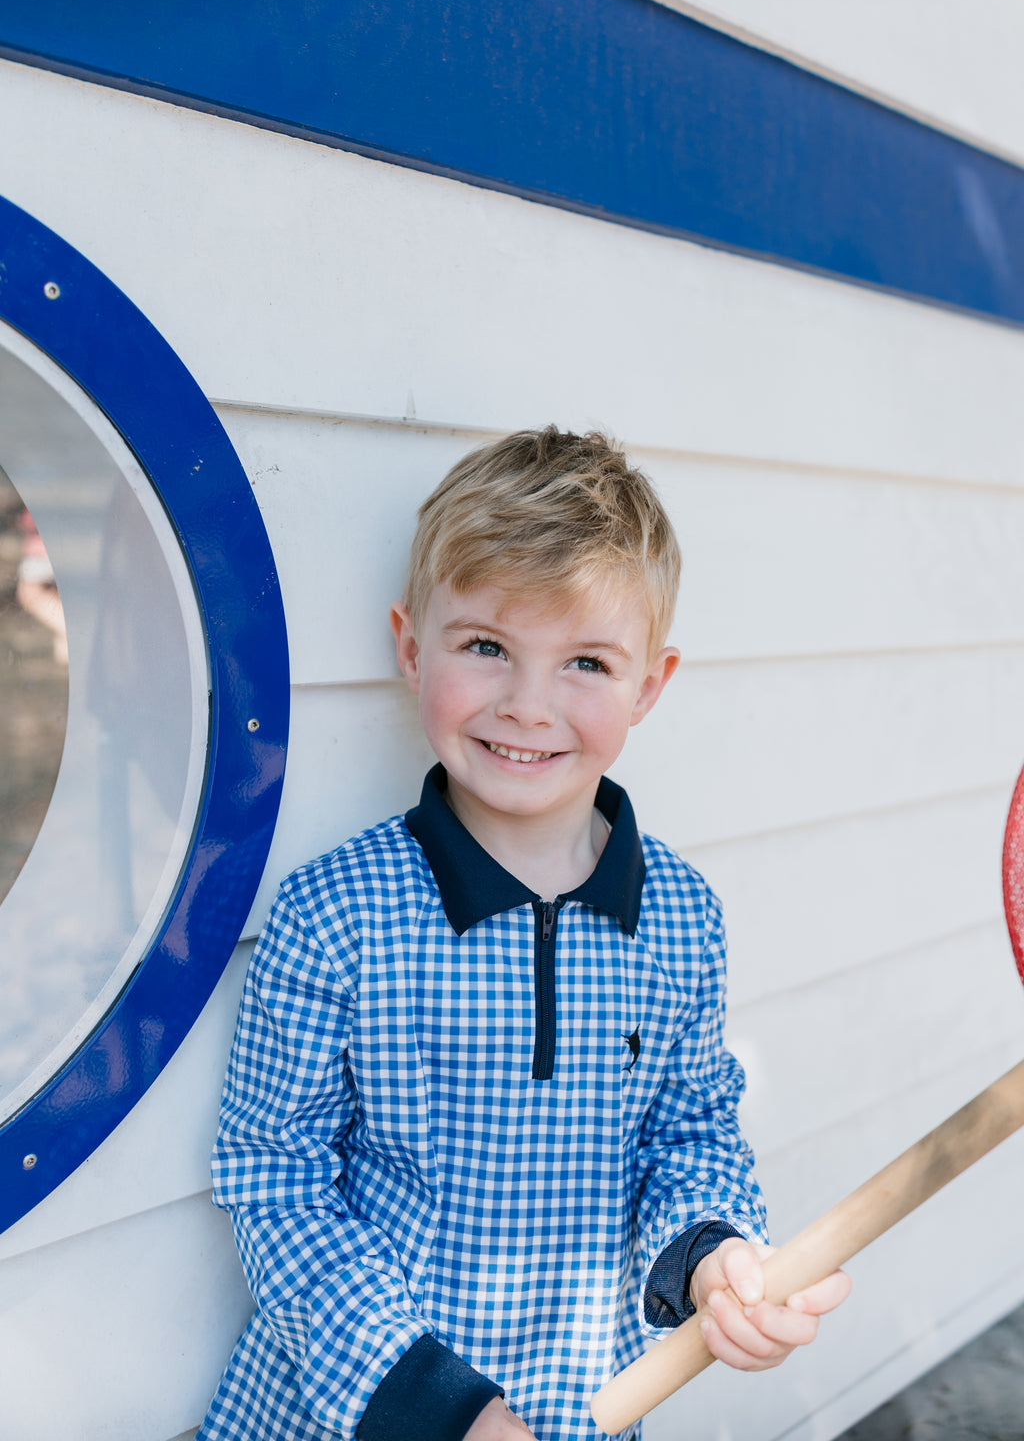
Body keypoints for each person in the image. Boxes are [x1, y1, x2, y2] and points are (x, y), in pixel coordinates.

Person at [199, 427, 849, 1441]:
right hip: (369, 1409)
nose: (528, 706)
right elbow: (272, 1175)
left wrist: (713, 1255)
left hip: (579, 1407)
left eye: (586, 662)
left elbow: (687, 1138)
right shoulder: (337, 913)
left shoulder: (679, 918)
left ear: (649, 685)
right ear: (413, 647)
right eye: (486, 646)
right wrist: (434, 1407)